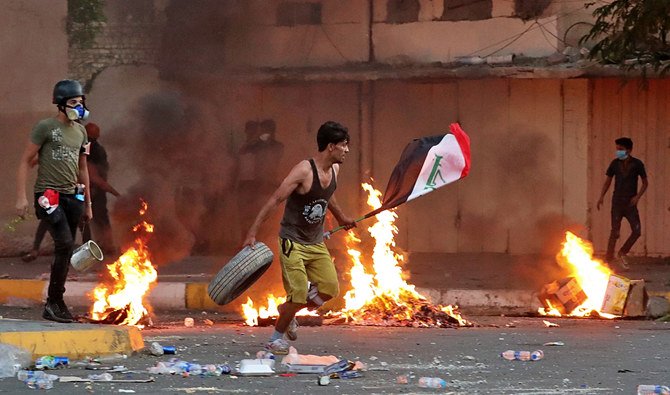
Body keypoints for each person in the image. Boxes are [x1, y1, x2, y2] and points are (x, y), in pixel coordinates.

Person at [243, 121, 356, 354]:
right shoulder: (304, 171)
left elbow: (328, 196)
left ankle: (288, 310)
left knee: (329, 288)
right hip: (292, 242)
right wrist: (252, 232)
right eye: (344, 145)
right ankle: (275, 338)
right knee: (298, 293)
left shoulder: (335, 170)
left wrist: (342, 218)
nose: (347, 150)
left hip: (315, 242)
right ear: (331, 146)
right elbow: (275, 200)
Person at [15, 79, 93, 323]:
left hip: (73, 196)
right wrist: (21, 198)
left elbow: (83, 169)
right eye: (72, 102)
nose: (77, 107)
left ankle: (55, 301)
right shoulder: (45, 127)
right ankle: (54, 301)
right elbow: (25, 162)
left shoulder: (81, 132)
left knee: (66, 248)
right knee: (65, 242)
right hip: (48, 196)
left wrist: (88, 204)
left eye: (80, 103)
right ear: (60, 104)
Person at [596, 137, 648, 268]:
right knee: (615, 231)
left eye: (621, 149)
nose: (618, 151)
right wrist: (601, 196)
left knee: (637, 231)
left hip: (630, 203)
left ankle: (622, 252)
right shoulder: (614, 164)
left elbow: (645, 183)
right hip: (617, 202)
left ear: (629, 150)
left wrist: (637, 197)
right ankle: (608, 259)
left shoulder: (637, 164)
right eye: (617, 149)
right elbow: (608, 181)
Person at [82, 122, 120, 255]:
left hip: (93, 188)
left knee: (94, 218)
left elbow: (96, 176)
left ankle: (105, 244)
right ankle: (104, 245)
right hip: (90, 188)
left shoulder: (90, 149)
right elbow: (96, 176)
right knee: (90, 219)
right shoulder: (94, 149)